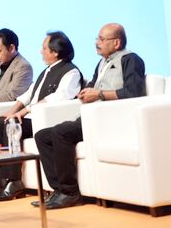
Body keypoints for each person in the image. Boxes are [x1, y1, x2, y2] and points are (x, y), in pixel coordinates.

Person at [34, 23, 145, 210]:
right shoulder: (102, 63)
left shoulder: (130, 59)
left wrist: (99, 95)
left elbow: (134, 93)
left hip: (112, 120)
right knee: (42, 136)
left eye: (102, 39)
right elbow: (93, 87)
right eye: (97, 38)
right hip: (91, 117)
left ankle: (70, 193)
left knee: (61, 132)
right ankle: (58, 190)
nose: (97, 43)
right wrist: (85, 94)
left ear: (117, 43)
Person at [0, 31, 83, 202]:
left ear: (55, 52)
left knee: (10, 126)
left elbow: (59, 97)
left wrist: (26, 111)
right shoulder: (46, 71)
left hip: (46, 119)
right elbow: (28, 95)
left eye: (44, 48)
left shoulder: (70, 72)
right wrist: (12, 111)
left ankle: (14, 181)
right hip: (33, 117)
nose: (40, 51)